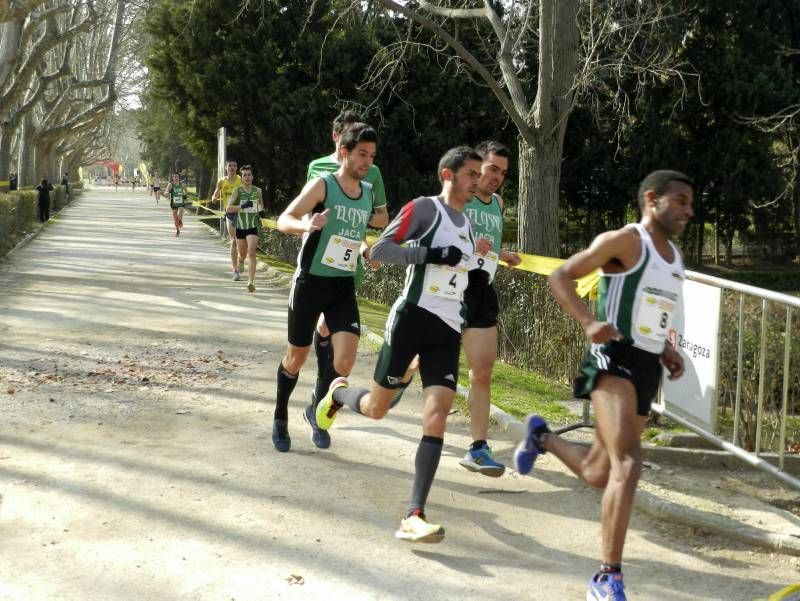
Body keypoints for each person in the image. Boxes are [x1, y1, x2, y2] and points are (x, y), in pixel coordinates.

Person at [513, 170, 694, 600]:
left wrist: (666, 349)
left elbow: (657, 311)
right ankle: (606, 576)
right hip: (612, 358)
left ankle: (542, 437)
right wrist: (588, 321)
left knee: (600, 472)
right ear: (652, 199)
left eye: (691, 202)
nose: (689, 210)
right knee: (629, 462)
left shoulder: (675, 256)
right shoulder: (626, 242)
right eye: (681, 201)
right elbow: (562, 277)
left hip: (647, 364)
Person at [315, 146, 492, 543]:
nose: (477, 181)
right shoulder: (426, 209)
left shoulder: (467, 226)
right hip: (412, 318)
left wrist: (474, 263)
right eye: (471, 174)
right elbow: (380, 250)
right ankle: (339, 394)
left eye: (479, 174)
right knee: (377, 409)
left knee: (439, 411)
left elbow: (456, 269)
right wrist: (431, 253)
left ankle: (414, 514)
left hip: (447, 328)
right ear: (448, 175)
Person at [272, 123, 379, 453]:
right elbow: (283, 218)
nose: (367, 162)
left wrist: (365, 250)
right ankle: (279, 418)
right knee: (296, 357)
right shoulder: (323, 185)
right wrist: (307, 224)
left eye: (372, 156)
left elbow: (356, 231)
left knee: (344, 361)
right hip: (310, 282)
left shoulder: (368, 193)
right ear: (345, 152)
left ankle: (315, 410)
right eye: (362, 154)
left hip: (342, 284)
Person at [302, 110, 389, 449]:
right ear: (337, 138)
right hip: (318, 266)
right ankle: (321, 400)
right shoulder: (317, 169)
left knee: (329, 331)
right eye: (345, 136)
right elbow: (305, 214)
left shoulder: (372, 172)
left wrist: (361, 233)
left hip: (349, 264)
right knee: (325, 328)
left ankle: (319, 401)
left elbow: (381, 216)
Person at [449, 140, 521, 477]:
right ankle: (401, 376)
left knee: (482, 371)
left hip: (481, 290)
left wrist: (500, 255)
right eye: (492, 169)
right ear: (479, 166)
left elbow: (487, 245)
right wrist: (468, 245)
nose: (496, 178)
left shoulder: (498, 203)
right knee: (435, 360)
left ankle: (478, 448)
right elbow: (440, 238)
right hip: (448, 290)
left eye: (503, 173)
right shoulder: (459, 198)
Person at [225, 165, 264, 292]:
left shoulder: (258, 191)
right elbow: (228, 209)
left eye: (249, 175)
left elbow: (261, 207)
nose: (247, 177)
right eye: (244, 175)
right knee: (242, 253)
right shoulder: (238, 190)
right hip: (241, 227)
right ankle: (241, 261)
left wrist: (260, 210)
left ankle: (250, 281)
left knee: (251, 252)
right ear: (241, 178)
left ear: (252, 177)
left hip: (253, 226)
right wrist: (242, 206)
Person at [210, 160, 244, 280]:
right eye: (230, 166)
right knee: (233, 240)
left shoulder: (241, 180)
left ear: (237, 168)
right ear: (226, 168)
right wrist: (214, 197)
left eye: (234, 166)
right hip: (230, 213)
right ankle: (235, 270)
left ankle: (241, 259)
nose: (232, 168)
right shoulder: (222, 181)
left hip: (242, 213)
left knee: (243, 242)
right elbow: (216, 192)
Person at [163, 172, 187, 236]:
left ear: (179, 178)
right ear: (173, 178)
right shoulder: (170, 185)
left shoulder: (182, 185)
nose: (176, 178)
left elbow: (185, 193)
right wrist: (166, 193)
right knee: (175, 217)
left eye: (177, 176)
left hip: (181, 203)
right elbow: (166, 192)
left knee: (181, 210)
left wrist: (184, 194)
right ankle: (177, 230)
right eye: (174, 177)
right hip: (173, 203)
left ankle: (180, 220)